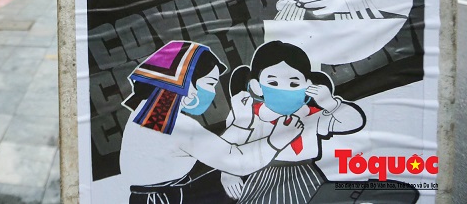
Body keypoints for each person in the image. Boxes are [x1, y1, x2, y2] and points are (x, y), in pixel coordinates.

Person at [118, 40, 305, 203]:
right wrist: (278, 139)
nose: (213, 92)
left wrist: (241, 123)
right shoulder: (173, 124)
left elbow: (207, 150)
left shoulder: (151, 112)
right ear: (186, 80)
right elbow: (237, 160)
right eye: (209, 83)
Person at [224, 40, 366, 203]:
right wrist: (228, 173)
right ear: (257, 86)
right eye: (273, 83)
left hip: (309, 178)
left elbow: (354, 123)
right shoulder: (250, 115)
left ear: (308, 86)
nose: (284, 89)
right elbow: (228, 145)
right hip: (264, 179)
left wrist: (331, 103)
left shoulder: (312, 115)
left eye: (294, 83)